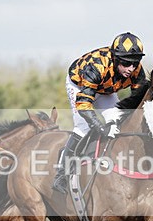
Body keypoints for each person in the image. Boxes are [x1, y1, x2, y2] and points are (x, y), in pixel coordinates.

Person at [52, 32, 147, 193]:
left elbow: (138, 101)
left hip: (106, 88)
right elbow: (84, 103)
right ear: (116, 58)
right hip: (80, 85)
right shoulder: (97, 67)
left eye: (135, 62)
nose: (131, 69)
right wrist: (100, 126)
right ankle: (61, 172)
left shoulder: (136, 70)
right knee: (84, 127)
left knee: (116, 122)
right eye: (125, 63)